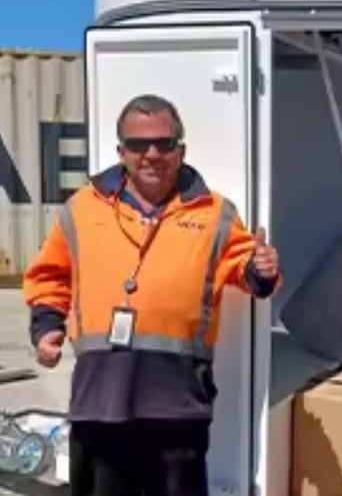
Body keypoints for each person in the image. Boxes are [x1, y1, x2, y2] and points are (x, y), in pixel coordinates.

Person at [23, 94, 281, 496]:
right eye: (138, 144)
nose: (152, 154)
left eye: (164, 143)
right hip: (100, 403)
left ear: (181, 151)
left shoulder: (215, 213)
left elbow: (248, 273)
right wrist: (46, 327)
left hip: (177, 406)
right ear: (121, 152)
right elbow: (50, 274)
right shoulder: (82, 208)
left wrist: (261, 270)